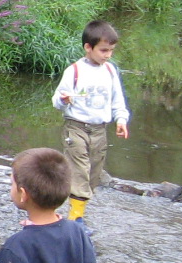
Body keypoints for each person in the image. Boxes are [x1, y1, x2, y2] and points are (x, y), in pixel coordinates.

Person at [52, 20, 130, 225]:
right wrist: (64, 100)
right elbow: (56, 100)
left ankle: (78, 211)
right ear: (88, 47)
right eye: (103, 50)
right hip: (75, 127)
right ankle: (75, 219)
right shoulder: (74, 71)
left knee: (93, 173)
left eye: (111, 50)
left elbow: (118, 99)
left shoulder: (110, 71)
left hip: (99, 130)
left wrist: (121, 119)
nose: (108, 55)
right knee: (79, 170)